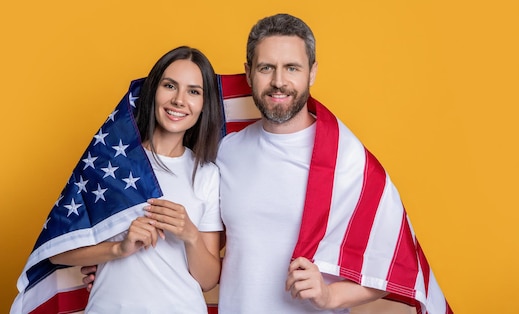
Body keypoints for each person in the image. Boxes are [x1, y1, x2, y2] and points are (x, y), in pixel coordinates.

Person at [84, 14, 452, 314]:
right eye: (266, 68)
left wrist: (329, 297)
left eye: (292, 67)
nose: (279, 82)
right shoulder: (224, 151)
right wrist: (120, 266)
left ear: (312, 72)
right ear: (249, 73)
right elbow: (195, 238)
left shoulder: (347, 157)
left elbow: (397, 264)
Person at [50, 46, 224, 313]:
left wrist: (191, 235)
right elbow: (57, 249)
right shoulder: (110, 161)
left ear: (204, 104)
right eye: (169, 85)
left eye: (193, 91)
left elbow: (208, 280)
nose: (179, 100)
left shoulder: (207, 174)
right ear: (153, 91)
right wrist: (118, 248)